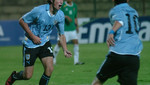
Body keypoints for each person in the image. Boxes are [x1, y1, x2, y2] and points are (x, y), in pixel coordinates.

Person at [5, 0, 72, 85]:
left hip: (44, 43)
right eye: (58, 0)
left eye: (62, 0)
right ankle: (14, 76)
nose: (61, 2)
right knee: (27, 76)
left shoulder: (60, 15)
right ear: (51, 1)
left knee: (50, 68)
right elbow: (21, 21)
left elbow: (61, 34)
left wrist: (65, 49)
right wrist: (33, 37)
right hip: (30, 44)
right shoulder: (39, 11)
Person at [92, 0, 143, 85]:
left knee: (97, 82)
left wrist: (112, 32)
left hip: (118, 53)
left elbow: (119, 21)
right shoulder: (134, 12)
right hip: (134, 56)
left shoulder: (116, 10)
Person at [53, 0, 84, 65]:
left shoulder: (74, 6)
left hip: (72, 28)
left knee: (76, 42)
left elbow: (75, 17)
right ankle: (53, 59)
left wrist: (77, 26)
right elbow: (57, 14)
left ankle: (76, 61)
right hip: (64, 29)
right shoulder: (63, 5)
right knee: (59, 44)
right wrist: (66, 17)